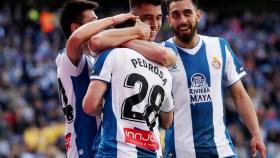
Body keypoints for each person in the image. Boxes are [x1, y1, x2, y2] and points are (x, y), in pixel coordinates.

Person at [56, 0, 176, 157]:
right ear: (76, 28)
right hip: (84, 143)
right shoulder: (68, 60)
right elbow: (75, 40)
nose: (101, 27)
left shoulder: (104, 57)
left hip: (104, 143)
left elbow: (166, 57)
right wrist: (114, 20)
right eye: (95, 22)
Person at [162, 0, 267, 158]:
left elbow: (239, 96)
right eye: (176, 15)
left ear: (198, 15)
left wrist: (256, 133)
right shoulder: (160, 53)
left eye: (187, 13)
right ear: (169, 20)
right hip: (180, 153)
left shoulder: (219, 46)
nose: (182, 20)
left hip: (221, 151)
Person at [82, 20, 174, 157]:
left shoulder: (112, 54)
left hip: (116, 151)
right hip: (152, 153)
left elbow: (89, 106)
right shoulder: (165, 71)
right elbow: (167, 122)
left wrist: (105, 108)